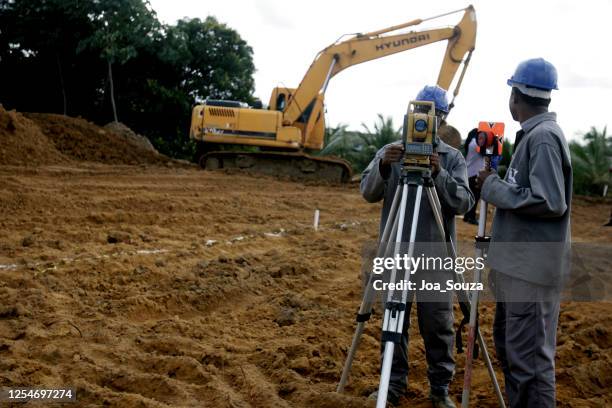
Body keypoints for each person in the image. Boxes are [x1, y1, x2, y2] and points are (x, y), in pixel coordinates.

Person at [361, 85, 474, 408]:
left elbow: (465, 202)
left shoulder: (451, 159)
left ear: (443, 118)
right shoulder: (390, 151)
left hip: (435, 256)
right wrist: (384, 166)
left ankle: (440, 389)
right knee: (392, 320)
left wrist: (438, 174)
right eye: (420, 112)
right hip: (395, 252)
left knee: (438, 325)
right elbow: (367, 191)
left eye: (432, 114)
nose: (424, 119)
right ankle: (392, 385)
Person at [477, 58, 572, 408]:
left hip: (531, 273)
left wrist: (492, 188)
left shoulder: (543, 138)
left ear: (515, 95)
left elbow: (549, 200)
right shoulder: (534, 136)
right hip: (520, 269)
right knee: (514, 353)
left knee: (530, 363)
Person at [462, 129, 484, 224]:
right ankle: (471, 217)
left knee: (471, 196)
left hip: (469, 172)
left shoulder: (470, 143)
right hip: (475, 173)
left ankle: (467, 216)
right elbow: (485, 152)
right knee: (475, 196)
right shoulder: (476, 144)